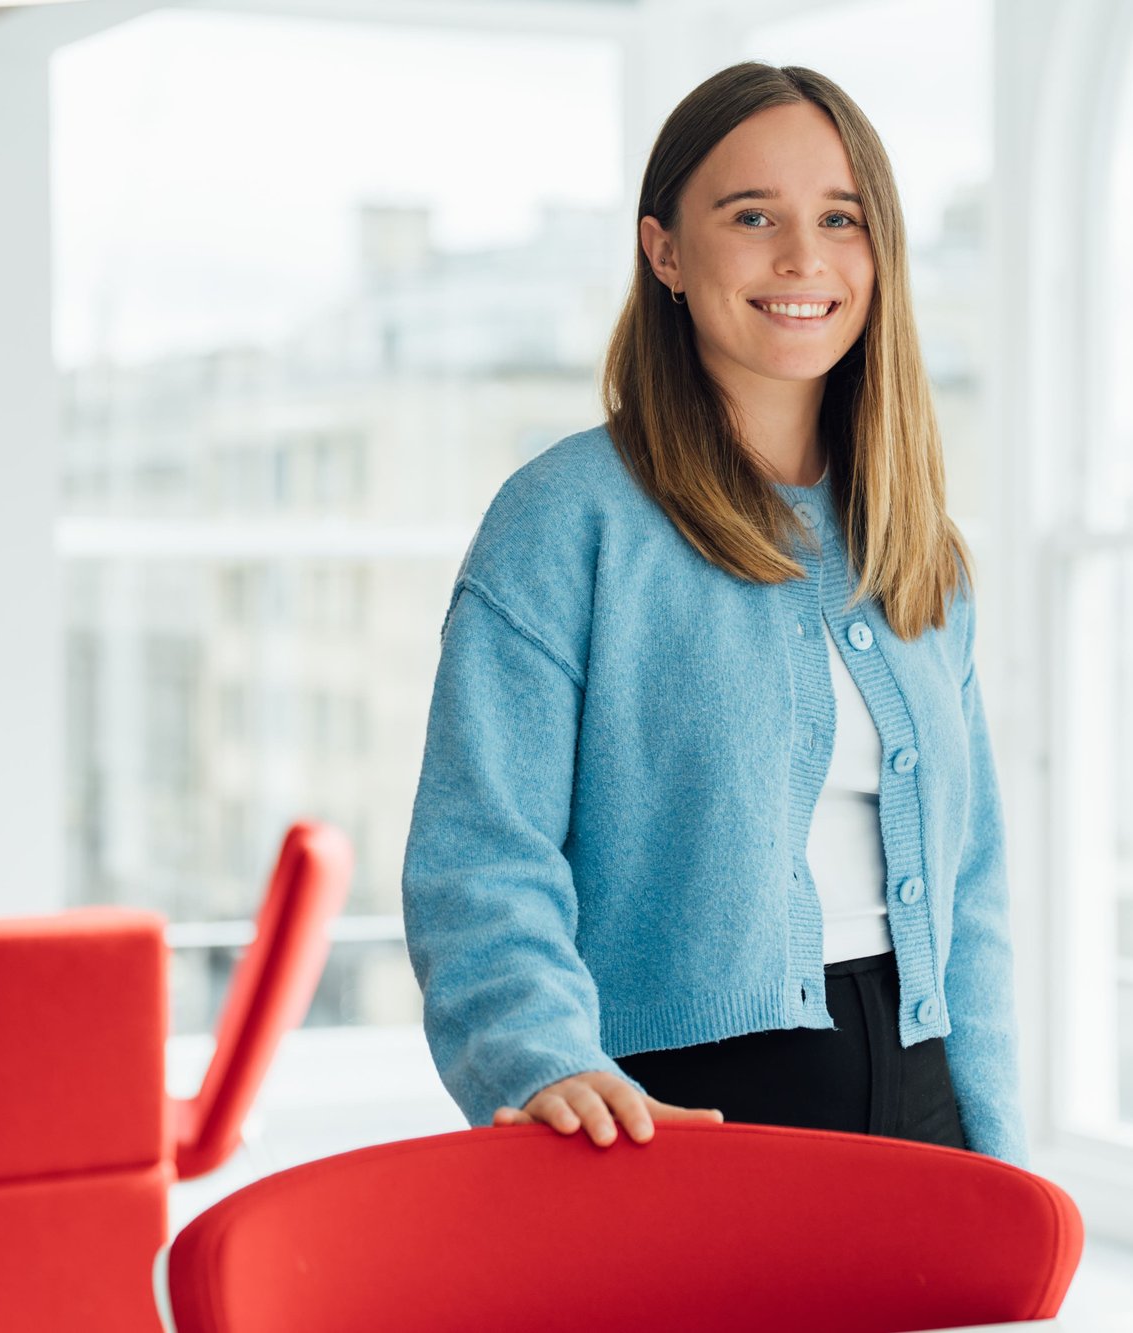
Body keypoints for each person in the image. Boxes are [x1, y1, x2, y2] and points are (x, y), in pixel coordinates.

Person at [401, 60, 1028, 1169]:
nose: (802, 258)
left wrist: (1003, 1155)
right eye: (753, 216)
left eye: (841, 218)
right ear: (665, 252)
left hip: (925, 1108)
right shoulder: (563, 519)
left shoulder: (917, 542)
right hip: (671, 1114)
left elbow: (969, 886)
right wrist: (541, 1060)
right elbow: (481, 857)